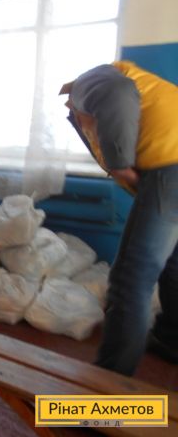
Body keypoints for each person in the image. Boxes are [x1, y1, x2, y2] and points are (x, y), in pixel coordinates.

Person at [60, 61, 178, 376]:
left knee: (131, 278)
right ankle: (172, 339)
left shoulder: (87, 83)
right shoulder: (141, 86)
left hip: (172, 167)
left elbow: (117, 92)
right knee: (173, 263)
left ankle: (108, 386)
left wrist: (119, 164)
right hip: (170, 166)